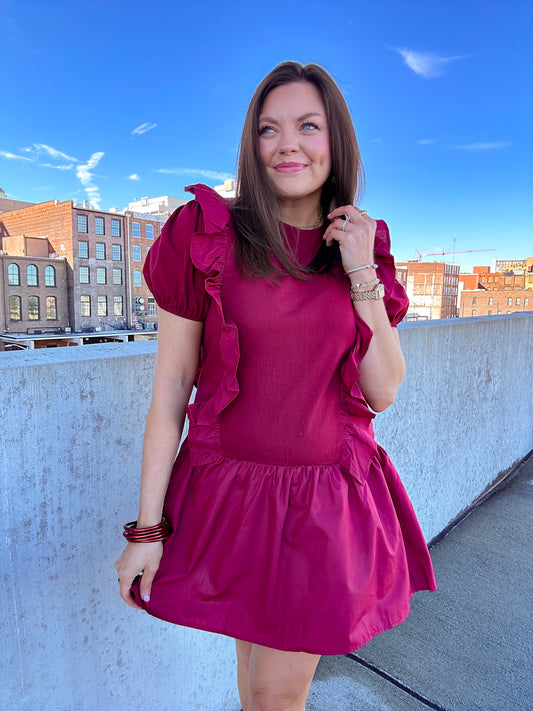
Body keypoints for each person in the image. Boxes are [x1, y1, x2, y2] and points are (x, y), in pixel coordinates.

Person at [115, 61, 437, 711]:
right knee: (250, 683)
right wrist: (145, 530)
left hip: (323, 504)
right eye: (269, 129)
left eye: (307, 125)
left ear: (334, 140)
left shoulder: (360, 246)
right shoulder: (203, 234)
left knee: (273, 696)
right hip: (230, 496)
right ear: (251, 144)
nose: (287, 143)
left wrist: (358, 273)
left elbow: (383, 391)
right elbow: (172, 386)